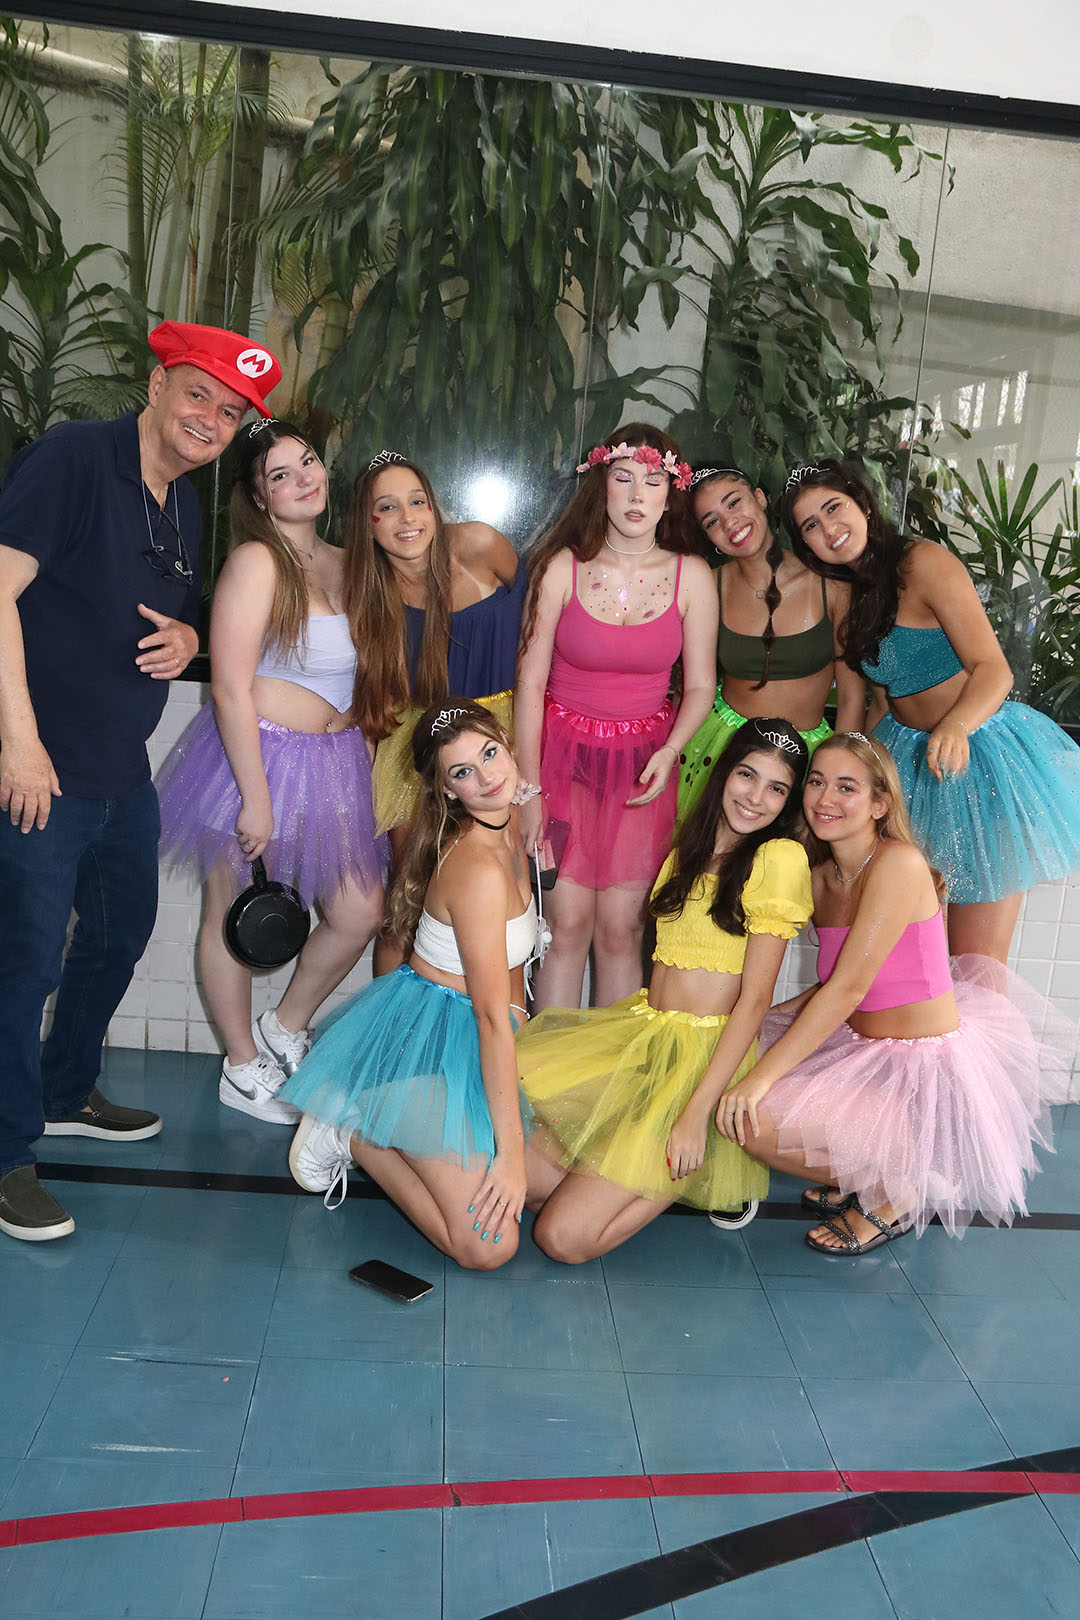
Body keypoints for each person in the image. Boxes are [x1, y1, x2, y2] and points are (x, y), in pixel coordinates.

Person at [0, 319, 280, 1242]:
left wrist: (192, 636)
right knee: (23, 965)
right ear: (156, 387)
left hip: (121, 776)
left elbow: (170, 611)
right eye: (198, 394)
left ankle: (64, 1090)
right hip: (41, 774)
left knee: (117, 937)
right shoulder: (73, 460)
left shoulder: (181, 501)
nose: (211, 420)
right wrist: (18, 744)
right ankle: (5, 1153)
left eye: (230, 412)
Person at [717, 733, 1075, 1253]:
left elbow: (848, 988)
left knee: (751, 1120)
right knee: (732, 1057)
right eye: (817, 782)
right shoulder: (821, 877)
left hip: (918, 1068)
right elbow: (835, 981)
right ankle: (863, 1168)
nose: (825, 798)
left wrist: (759, 1080)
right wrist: (767, 1019)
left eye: (847, 787)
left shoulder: (898, 863)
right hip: (859, 1047)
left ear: (879, 805)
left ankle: (896, 1188)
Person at [156, 420, 387, 1122]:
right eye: (280, 474)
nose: (303, 478)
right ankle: (240, 1065)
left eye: (307, 462)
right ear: (259, 496)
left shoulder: (348, 561)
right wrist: (255, 800)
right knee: (231, 910)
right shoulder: (257, 562)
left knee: (360, 911)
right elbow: (229, 688)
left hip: (336, 760)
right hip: (253, 759)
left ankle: (284, 1028)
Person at [517, 718, 813, 1263]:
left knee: (560, 1238)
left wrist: (695, 1113)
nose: (756, 797)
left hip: (699, 1064)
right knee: (529, 1182)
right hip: (644, 1038)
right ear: (724, 772)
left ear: (789, 802)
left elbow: (753, 1002)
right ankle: (627, 1170)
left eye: (777, 788)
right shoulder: (688, 850)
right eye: (747, 775)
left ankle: (688, 1168)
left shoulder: (778, 859)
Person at [782, 460, 1080, 961]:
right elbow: (879, 699)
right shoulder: (850, 597)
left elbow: (994, 670)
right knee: (919, 956)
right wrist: (846, 771)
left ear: (863, 504)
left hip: (978, 759)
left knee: (975, 961)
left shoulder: (922, 563)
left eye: (833, 508)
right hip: (907, 762)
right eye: (810, 525)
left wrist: (956, 726)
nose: (828, 529)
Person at [281, 699, 541, 1270]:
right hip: (425, 1051)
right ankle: (352, 1130)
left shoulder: (508, 823)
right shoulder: (477, 869)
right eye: (463, 772)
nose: (487, 777)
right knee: (491, 1245)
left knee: (547, 1183)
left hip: (476, 1039)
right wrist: (510, 1158)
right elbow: (489, 1017)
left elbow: (509, 985)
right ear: (448, 790)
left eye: (489, 753)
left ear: (507, 743)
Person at [514, 424, 718, 1011]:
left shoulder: (693, 575)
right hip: (561, 761)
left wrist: (671, 749)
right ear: (600, 485)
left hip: (644, 767)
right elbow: (529, 684)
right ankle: (548, 1061)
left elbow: (700, 686)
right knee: (565, 927)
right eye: (623, 478)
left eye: (652, 482)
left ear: (670, 494)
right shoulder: (560, 567)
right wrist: (528, 791)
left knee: (621, 930)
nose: (635, 495)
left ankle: (609, 1065)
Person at [344, 450, 523, 972]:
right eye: (387, 507)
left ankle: (497, 1017)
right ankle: (394, 1023)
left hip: (498, 737)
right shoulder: (367, 592)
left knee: (507, 888)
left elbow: (538, 622)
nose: (407, 518)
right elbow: (375, 700)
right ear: (367, 523)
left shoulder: (481, 544)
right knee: (410, 899)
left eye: (417, 501)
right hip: (416, 746)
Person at [677, 465, 865, 821]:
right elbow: (689, 681)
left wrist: (838, 774)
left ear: (760, 498)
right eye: (712, 521)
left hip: (806, 757)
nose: (730, 523)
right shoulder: (708, 585)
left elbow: (852, 699)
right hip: (720, 750)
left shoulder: (833, 587)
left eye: (734, 503)